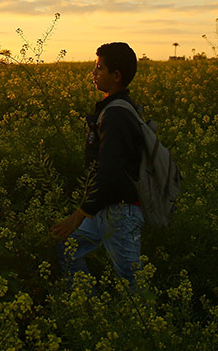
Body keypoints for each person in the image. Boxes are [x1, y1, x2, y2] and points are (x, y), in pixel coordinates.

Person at [50, 42, 145, 283]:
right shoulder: (113, 109)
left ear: (116, 76)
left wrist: (79, 215)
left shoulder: (117, 114)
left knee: (131, 282)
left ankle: (140, 311)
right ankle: (85, 302)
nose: (93, 73)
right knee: (68, 248)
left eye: (99, 68)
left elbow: (109, 173)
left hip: (120, 211)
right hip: (104, 207)